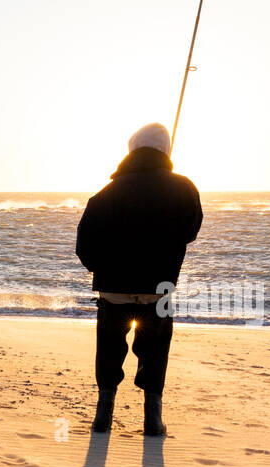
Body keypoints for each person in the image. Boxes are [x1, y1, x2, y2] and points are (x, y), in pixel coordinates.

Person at [76, 123, 202, 436]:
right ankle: (152, 419)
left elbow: (84, 248)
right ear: (164, 150)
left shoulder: (103, 196)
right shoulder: (184, 188)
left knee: (109, 350)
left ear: (131, 151)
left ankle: (103, 416)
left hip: (113, 292)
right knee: (156, 351)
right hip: (157, 292)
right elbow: (191, 232)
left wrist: (105, 272)